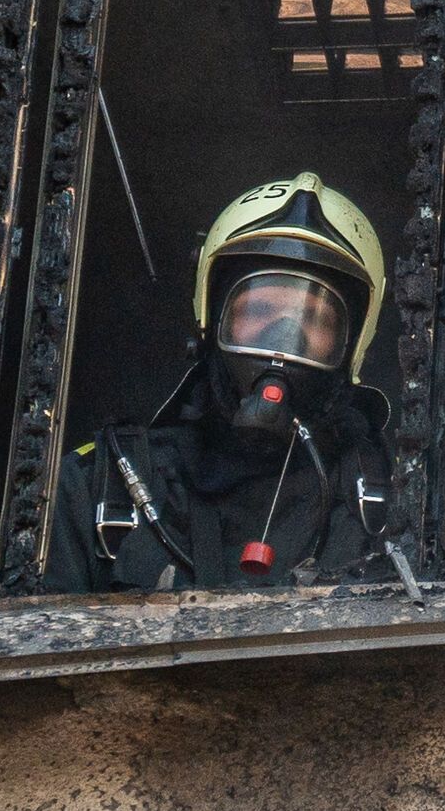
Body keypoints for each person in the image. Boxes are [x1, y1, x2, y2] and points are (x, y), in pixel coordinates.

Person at [44, 172, 393, 593]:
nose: (282, 338)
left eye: (314, 319)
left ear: (352, 345)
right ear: (211, 320)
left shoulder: (392, 500)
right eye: (259, 309)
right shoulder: (102, 485)